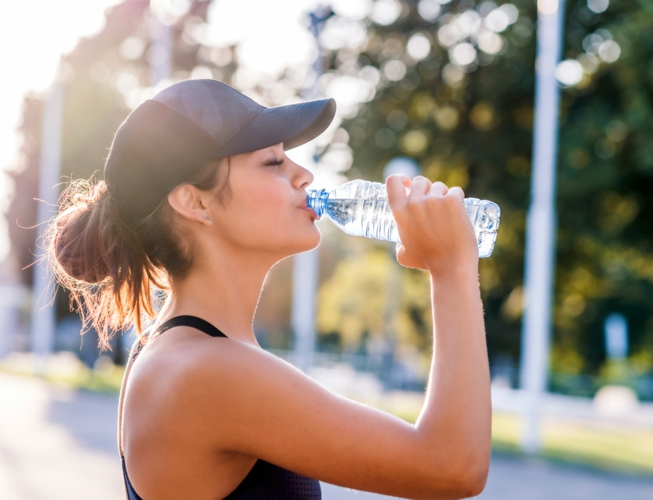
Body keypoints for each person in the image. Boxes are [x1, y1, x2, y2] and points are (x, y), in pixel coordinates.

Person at [47, 79, 491, 499]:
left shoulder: (187, 352)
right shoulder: (205, 370)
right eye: (274, 162)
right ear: (194, 201)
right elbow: (451, 466)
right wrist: (451, 269)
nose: (305, 176)